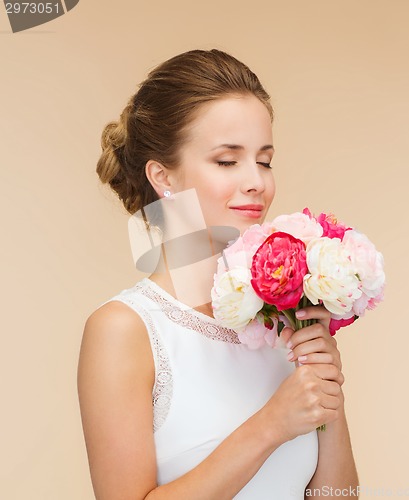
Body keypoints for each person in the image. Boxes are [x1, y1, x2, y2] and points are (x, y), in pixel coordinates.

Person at [77, 49, 359, 500]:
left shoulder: (283, 324)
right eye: (228, 161)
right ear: (162, 177)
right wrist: (271, 425)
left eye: (264, 160)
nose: (257, 182)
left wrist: (326, 391)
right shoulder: (125, 330)